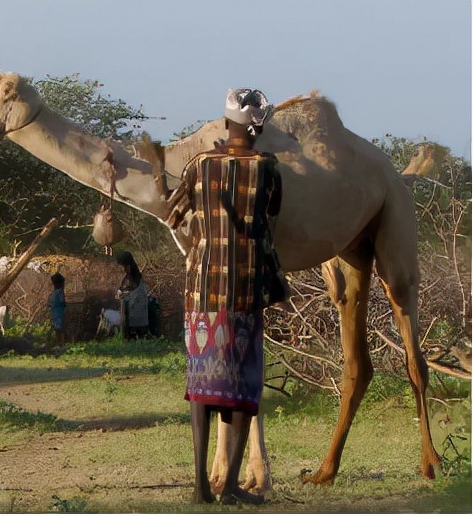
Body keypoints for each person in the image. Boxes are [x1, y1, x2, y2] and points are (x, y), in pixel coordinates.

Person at [166, 89, 287, 505]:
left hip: (201, 292)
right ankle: (232, 484)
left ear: (225, 124)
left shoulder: (199, 165)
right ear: (257, 128)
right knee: (243, 388)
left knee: (201, 388)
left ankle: (201, 487)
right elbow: (272, 217)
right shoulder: (268, 168)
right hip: (246, 291)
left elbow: (173, 215)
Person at [115, 251, 150, 339]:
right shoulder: (132, 273)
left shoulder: (132, 274)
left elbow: (130, 289)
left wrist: (121, 293)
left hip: (135, 307)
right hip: (137, 307)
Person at [49, 273, 68, 344]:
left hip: (54, 314)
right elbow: (62, 302)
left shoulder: (54, 293)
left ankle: (59, 342)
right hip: (59, 314)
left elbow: (50, 304)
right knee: (60, 329)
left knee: (57, 329)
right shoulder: (60, 292)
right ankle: (61, 343)